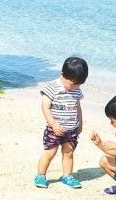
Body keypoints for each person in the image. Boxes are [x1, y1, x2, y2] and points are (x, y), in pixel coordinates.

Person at [34, 56, 88, 189]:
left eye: (78, 84)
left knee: (68, 153)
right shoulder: (52, 87)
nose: (74, 86)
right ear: (62, 75)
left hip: (71, 129)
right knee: (49, 153)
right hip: (54, 129)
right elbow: (45, 107)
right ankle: (41, 175)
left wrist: (80, 123)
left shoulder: (76, 90)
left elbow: (77, 107)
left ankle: (67, 176)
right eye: (72, 83)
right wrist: (53, 124)